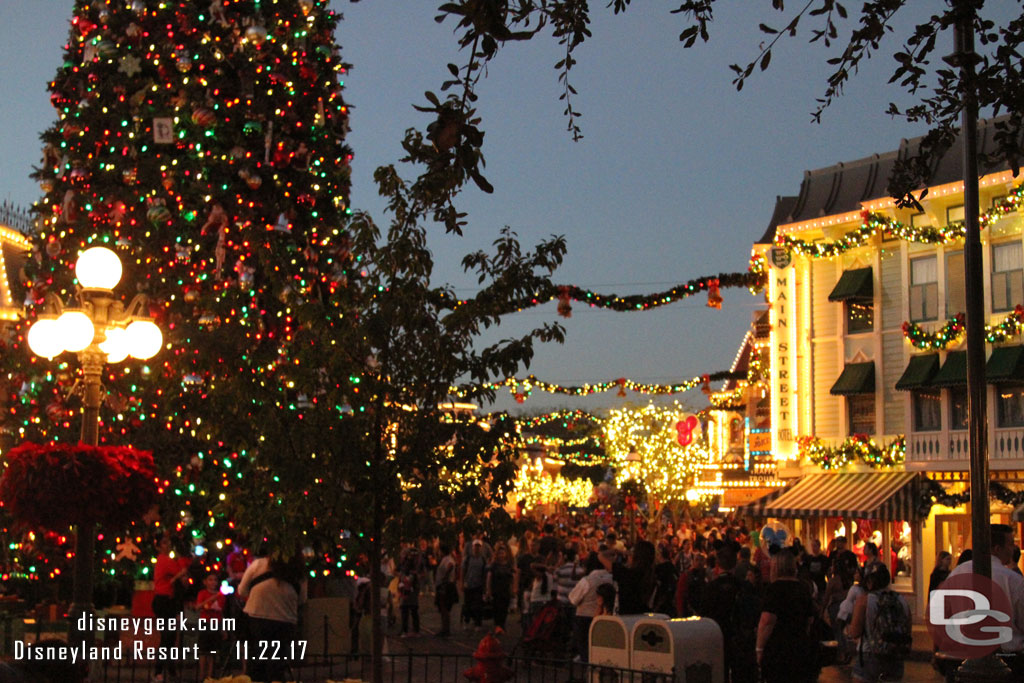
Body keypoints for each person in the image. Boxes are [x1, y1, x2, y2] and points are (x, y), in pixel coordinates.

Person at [948, 523, 1024, 669]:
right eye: (1010, 544)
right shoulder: (1012, 580)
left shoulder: (957, 572)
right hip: (1007, 658)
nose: (1013, 549)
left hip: (961, 654)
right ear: (997, 548)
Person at [238, 553, 307, 683]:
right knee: (277, 663)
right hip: (285, 621)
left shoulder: (259, 565)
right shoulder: (298, 572)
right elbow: (302, 599)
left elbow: (242, 590)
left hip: (257, 617)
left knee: (257, 663)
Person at [756, 549, 818, 683]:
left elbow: (767, 621)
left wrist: (759, 648)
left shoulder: (774, 589)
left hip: (779, 648)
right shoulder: (802, 588)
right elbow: (810, 618)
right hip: (800, 646)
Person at [700, 545, 758, 683]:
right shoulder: (743, 586)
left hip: (717, 636)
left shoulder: (711, 588)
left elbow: (704, 615)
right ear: (735, 564)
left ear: (718, 566)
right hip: (739, 638)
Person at [846, 564, 911, 682]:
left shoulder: (864, 601)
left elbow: (855, 632)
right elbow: (907, 630)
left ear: (869, 581)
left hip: (869, 656)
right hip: (895, 657)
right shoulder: (902, 600)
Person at [150, 534, 189, 683]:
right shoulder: (165, 560)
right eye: (165, 543)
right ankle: (160, 671)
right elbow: (182, 571)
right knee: (168, 637)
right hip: (164, 601)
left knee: (170, 637)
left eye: (169, 543)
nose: (168, 546)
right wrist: (179, 575)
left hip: (166, 601)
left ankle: (168, 670)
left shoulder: (163, 560)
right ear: (158, 546)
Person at [568, 551, 614, 662]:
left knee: (585, 646)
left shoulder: (587, 580)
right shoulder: (612, 579)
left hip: (584, 617)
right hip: (606, 616)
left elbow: (573, 599)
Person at [603, 539, 655, 615]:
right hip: (643, 614)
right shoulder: (650, 574)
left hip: (626, 615)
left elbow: (601, 556)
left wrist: (618, 551)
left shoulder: (626, 573)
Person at [195, 572, 227, 681]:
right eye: (210, 580)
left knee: (212, 652)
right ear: (205, 582)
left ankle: (210, 676)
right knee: (204, 650)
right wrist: (213, 598)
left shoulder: (221, 596)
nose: (213, 582)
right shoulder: (202, 593)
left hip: (216, 624)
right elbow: (198, 606)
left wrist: (223, 628)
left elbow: (221, 612)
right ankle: (201, 675)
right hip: (205, 622)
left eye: (215, 580)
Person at [485, 543, 515, 633]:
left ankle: (502, 625)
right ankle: (498, 625)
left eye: (503, 553)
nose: (501, 555)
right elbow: (489, 577)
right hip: (496, 590)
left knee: (504, 608)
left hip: (505, 590)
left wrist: (513, 588)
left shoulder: (508, 565)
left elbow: (512, 577)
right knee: (497, 608)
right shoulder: (494, 565)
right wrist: (488, 590)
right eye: (499, 553)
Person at [461, 539, 488, 630]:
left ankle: (477, 623)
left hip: (479, 585)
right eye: (475, 546)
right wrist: (462, 583)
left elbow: (485, 573)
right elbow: (463, 571)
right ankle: (467, 621)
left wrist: (485, 587)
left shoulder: (483, 559)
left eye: (478, 547)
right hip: (469, 584)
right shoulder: (468, 559)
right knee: (467, 605)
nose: (477, 548)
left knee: (478, 605)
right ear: (472, 547)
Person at [434, 544, 458, 638]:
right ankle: (444, 628)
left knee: (445, 609)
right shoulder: (446, 559)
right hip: (444, 585)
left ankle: (446, 629)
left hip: (446, 586)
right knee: (443, 609)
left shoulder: (447, 559)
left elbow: (450, 565)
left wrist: (445, 577)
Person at [397, 555, 421, 637]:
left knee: (407, 612)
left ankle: (407, 630)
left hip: (408, 596)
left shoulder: (410, 574)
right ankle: (411, 630)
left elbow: (404, 583)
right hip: (409, 596)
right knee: (410, 612)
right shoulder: (411, 574)